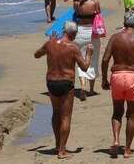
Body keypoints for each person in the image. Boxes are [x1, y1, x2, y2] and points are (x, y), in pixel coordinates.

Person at [34, 21, 93, 160]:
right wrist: (89, 54)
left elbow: (36, 54)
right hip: (66, 83)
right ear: (72, 34)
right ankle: (62, 150)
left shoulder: (50, 43)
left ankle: (57, 145)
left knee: (56, 113)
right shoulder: (73, 47)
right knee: (66, 116)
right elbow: (84, 67)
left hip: (51, 83)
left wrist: (49, 44)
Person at [101, 12, 134, 159]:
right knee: (132, 115)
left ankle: (116, 140)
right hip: (133, 78)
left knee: (117, 112)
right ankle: (127, 149)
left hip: (117, 76)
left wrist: (104, 79)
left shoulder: (115, 38)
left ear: (124, 23)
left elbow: (105, 60)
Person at [72, 0, 102, 99]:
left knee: (80, 59)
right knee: (93, 59)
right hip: (92, 32)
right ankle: (91, 89)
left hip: (80, 32)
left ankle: (82, 85)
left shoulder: (76, 4)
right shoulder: (94, 3)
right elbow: (98, 14)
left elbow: (75, 12)